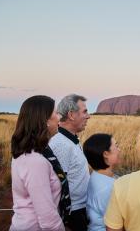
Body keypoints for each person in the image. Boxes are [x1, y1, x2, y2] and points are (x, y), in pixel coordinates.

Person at [10, 95, 65, 231]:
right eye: (56, 113)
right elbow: (48, 219)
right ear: (45, 120)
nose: (59, 117)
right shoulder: (35, 161)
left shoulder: (27, 152)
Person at [49, 94, 90, 231]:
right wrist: (64, 222)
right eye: (84, 112)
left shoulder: (71, 140)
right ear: (72, 115)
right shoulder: (61, 144)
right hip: (72, 214)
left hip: (80, 210)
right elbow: (56, 186)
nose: (88, 116)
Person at [83, 134, 121, 231]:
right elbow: (117, 224)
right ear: (105, 154)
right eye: (116, 146)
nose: (119, 150)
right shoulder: (108, 188)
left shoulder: (96, 176)